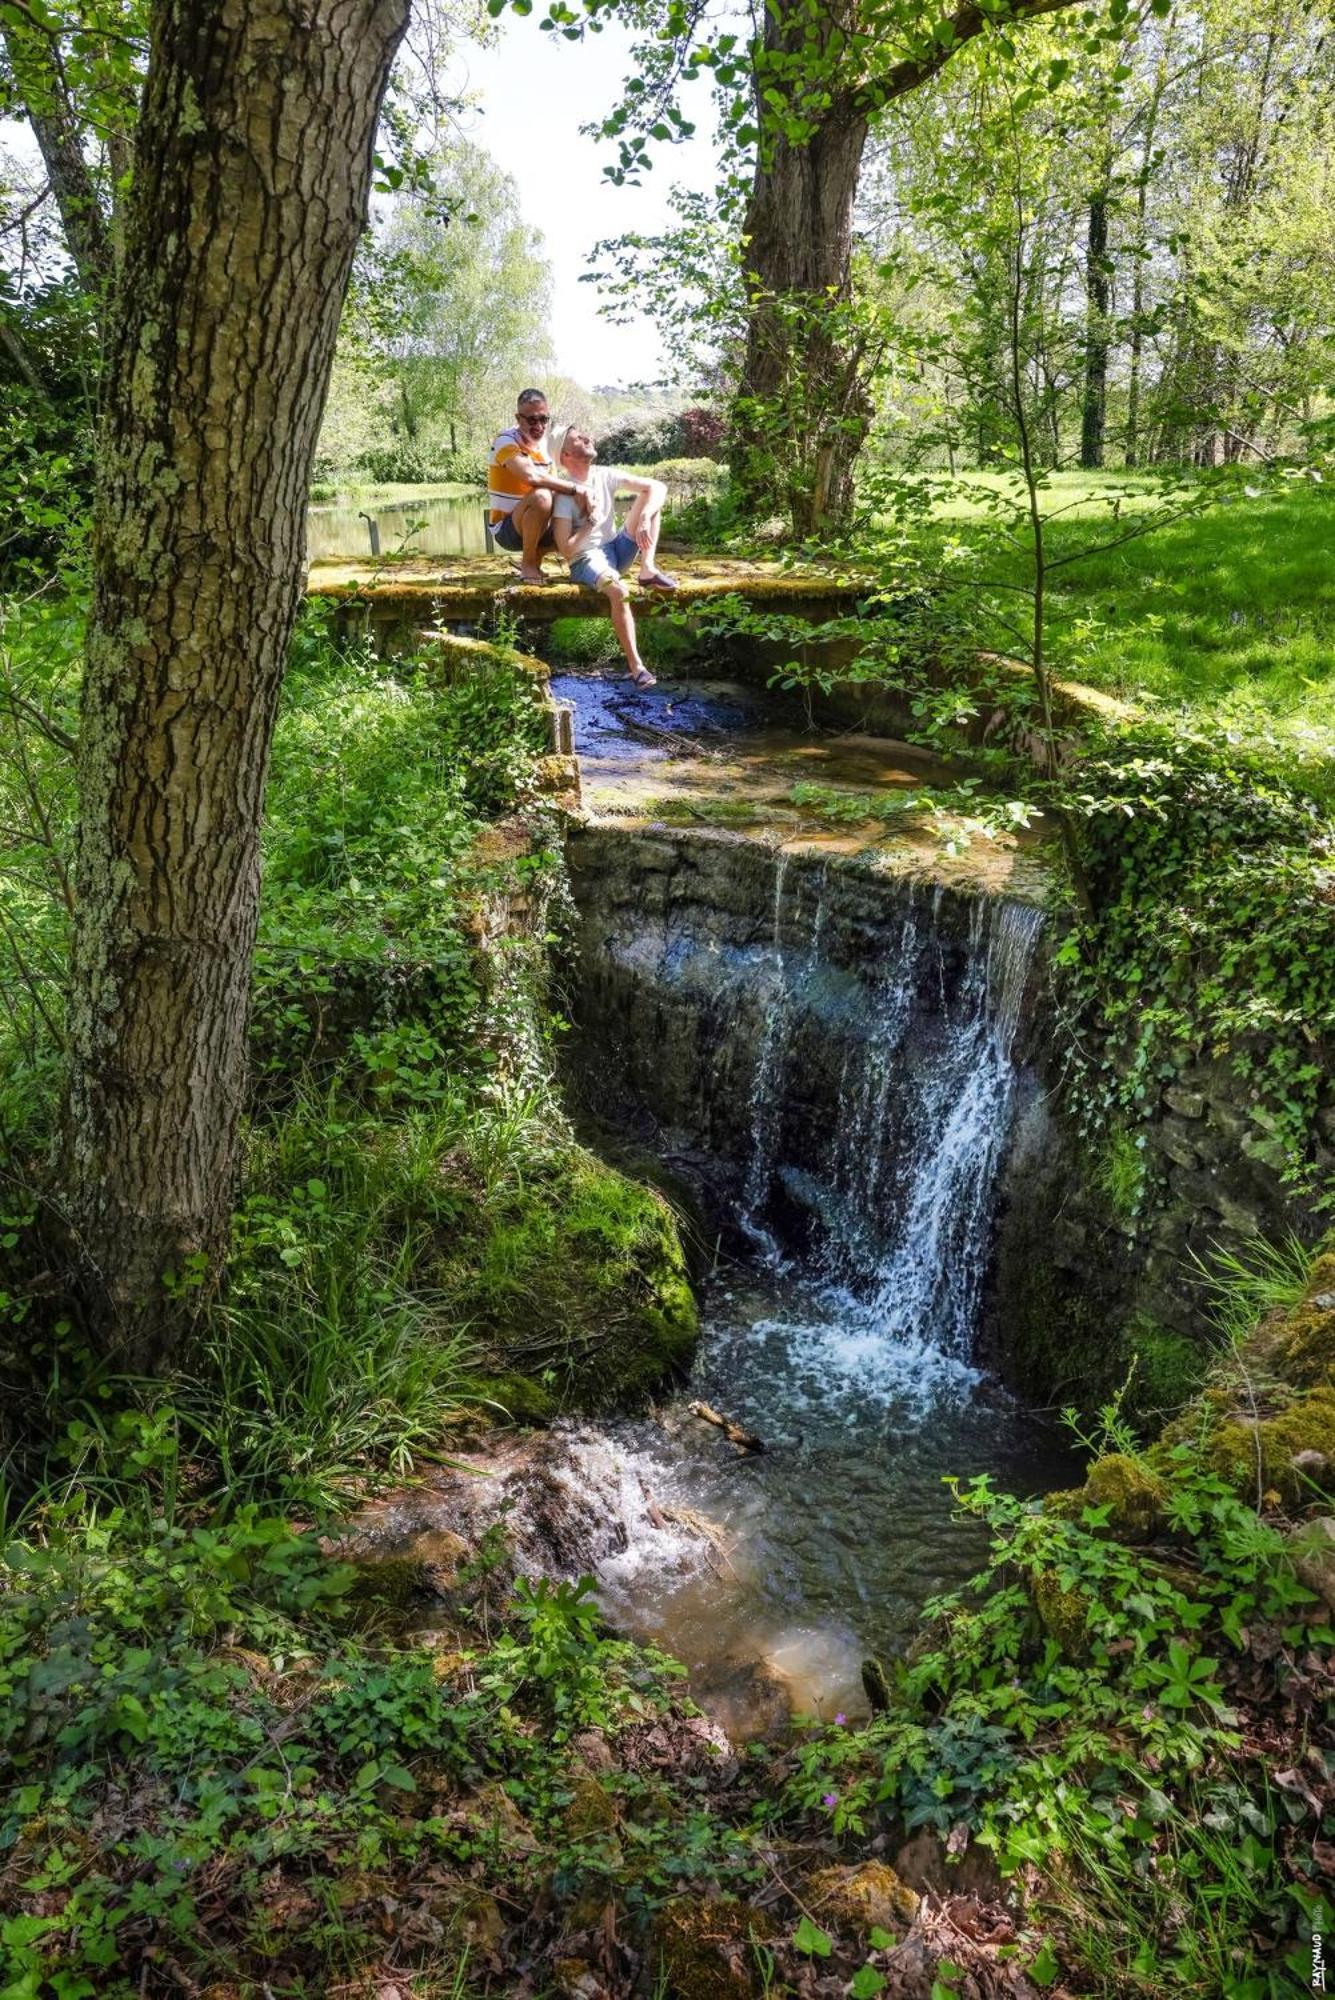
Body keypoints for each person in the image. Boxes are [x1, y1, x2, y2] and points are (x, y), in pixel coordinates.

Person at [551, 426, 678, 689]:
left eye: (586, 434)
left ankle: (647, 569)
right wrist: (590, 522)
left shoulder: (604, 474)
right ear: (564, 454)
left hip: (615, 550)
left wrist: (644, 515)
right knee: (619, 591)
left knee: (650, 502)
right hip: (586, 560)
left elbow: (658, 486)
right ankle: (637, 668)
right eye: (578, 438)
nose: (588, 438)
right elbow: (565, 551)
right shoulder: (565, 495)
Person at [487, 389, 591, 583]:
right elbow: (530, 476)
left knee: (585, 511)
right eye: (532, 420)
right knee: (542, 495)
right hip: (508, 529)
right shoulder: (505, 441)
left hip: (540, 525)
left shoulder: (545, 446)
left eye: (544, 419)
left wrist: (584, 497)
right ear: (518, 418)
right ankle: (527, 565)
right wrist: (575, 489)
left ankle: (541, 558)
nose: (540, 426)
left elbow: (557, 487)